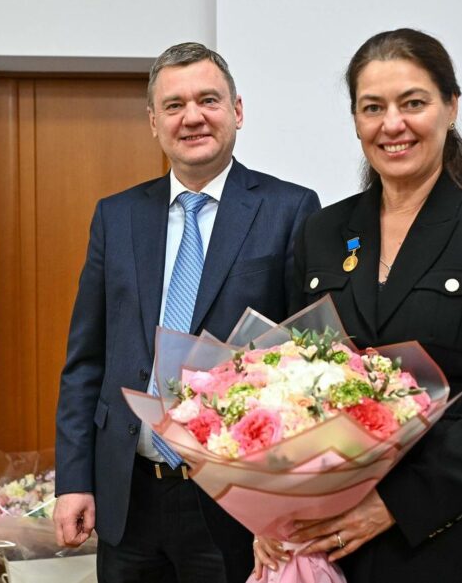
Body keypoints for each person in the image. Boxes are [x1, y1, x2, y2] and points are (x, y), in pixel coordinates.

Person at [53, 42, 320, 583]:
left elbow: (305, 361)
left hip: (234, 501)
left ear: (237, 111)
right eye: (174, 105)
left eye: (208, 100)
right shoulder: (116, 216)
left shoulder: (290, 209)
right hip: (127, 493)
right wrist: (74, 479)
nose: (192, 117)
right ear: (154, 123)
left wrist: (287, 500)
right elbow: (86, 361)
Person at [254, 28, 462, 583]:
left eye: (412, 103)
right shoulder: (324, 231)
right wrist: (267, 504)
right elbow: (290, 380)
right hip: (329, 541)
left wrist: (396, 505)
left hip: (442, 532)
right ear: (355, 120)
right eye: (373, 108)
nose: (392, 124)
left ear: (451, 106)